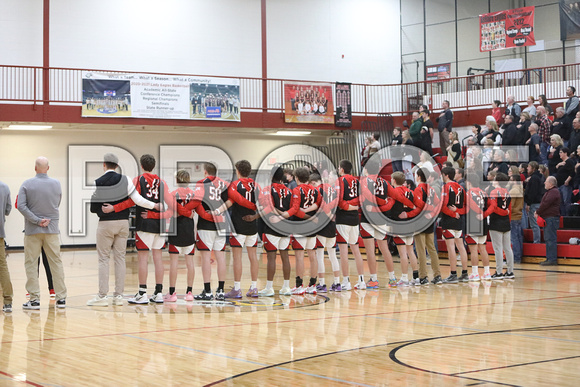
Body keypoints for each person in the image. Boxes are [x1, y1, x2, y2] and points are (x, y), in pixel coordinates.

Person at [87, 152, 159, 307]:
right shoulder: (126, 179)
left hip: (106, 223)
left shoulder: (98, 181)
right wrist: (154, 206)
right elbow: (137, 200)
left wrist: (105, 208)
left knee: (104, 259)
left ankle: (102, 296)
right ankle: (119, 296)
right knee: (120, 258)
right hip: (123, 224)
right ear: (117, 166)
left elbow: (93, 207)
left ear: (104, 165)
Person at [105, 154, 176, 304]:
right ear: (153, 166)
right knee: (158, 259)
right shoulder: (162, 182)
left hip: (145, 224)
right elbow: (172, 206)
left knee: (143, 258)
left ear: (141, 166)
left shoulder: (138, 180)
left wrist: (114, 208)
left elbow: (131, 201)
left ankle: (142, 293)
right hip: (161, 224)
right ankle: (158, 292)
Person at [17, 157, 67, 309]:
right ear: (48, 168)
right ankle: (61, 299)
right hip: (52, 229)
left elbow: (21, 206)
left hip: (32, 231)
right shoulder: (56, 183)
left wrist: (37, 220)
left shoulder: (26, 184)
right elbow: (56, 203)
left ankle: (34, 299)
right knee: (56, 263)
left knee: (31, 264)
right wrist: (46, 219)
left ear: (35, 168)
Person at [215, 160, 261, 298]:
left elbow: (230, 202)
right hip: (252, 225)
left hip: (237, 226)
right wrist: (254, 217)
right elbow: (263, 207)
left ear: (238, 171)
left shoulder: (235, 185)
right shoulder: (257, 186)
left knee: (237, 258)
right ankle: (254, 287)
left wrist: (216, 211)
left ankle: (237, 288)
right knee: (253, 257)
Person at [193, 163, 229, 301]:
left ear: (206, 172)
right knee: (221, 258)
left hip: (206, 224)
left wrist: (205, 215)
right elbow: (229, 202)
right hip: (221, 223)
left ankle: (207, 291)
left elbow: (197, 201)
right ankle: (220, 290)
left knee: (206, 259)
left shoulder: (202, 183)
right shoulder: (224, 184)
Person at [255, 167, 293, 296]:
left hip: (272, 226)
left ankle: (269, 288)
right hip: (287, 226)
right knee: (285, 257)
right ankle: (286, 287)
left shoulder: (267, 190)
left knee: (271, 257)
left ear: (271, 176)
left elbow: (266, 206)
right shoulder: (289, 191)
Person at [286, 167, 321, 295]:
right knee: (312, 256)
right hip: (312, 226)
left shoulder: (296, 190)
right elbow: (319, 204)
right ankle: (312, 285)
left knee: (299, 257)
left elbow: (295, 209)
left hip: (300, 225)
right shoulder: (315, 190)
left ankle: (299, 285)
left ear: (296, 178)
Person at [335, 159, 365, 290]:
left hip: (343, 220)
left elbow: (340, 202)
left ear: (341, 169)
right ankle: (361, 280)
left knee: (343, 253)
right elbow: (362, 199)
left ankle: (346, 281)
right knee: (356, 250)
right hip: (354, 220)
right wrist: (355, 207)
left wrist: (348, 206)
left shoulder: (340, 181)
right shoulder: (357, 181)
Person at [408, 168, 441, 285]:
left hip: (420, 221)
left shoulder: (418, 189)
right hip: (429, 221)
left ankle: (423, 277)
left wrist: (427, 209)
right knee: (431, 248)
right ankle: (437, 275)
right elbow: (437, 203)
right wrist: (431, 213)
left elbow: (418, 204)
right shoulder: (431, 189)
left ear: (418, 176)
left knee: (421, 250)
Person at [311, 172, 341, 292]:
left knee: (319, 256)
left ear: (314, 182)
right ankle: (337, 283)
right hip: (332, 225)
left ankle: (322, 284)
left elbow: (319, 205)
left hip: (321, 224)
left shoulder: (318, 190)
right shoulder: (333, 190)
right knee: (332, 255)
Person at [439, 167, 469, 283]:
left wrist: (453, 213)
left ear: (446, 175)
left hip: (449, 220)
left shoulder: (445, 187)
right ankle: (465, 273)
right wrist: (458, 212)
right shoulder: (461, 187)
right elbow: (467, 206)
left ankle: (453, 274)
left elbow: (443, 205)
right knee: (461, 246)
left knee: (451, 247)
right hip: (459, 220)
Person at [465, 173, 493, 281]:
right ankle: (487, 273)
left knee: (473, 250)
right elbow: (492, 205)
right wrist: (484, 214)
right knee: (483, 248)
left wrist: (479, 212)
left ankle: (475, 273)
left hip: (473, 222)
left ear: (469, 182)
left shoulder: (469, 193)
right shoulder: (484, 193)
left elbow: (471, 204)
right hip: (484, 223)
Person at [488, 173, 514, 280]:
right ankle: (510, 271)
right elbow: (509, 210)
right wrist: (506, 214)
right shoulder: (507, 192)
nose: (493, 181)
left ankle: (498, 272)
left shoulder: (494, 192)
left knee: (498, 248)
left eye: (494, 179)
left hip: (496, 222)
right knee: (507, 248)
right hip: (506, 222)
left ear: (497, 181)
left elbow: (493, 208)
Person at [536, 176, 561, 266]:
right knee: (548, 239)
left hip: (551, 218)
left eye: (546, 182)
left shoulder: (553, 192)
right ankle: (549, 258)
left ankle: (552, 259)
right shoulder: (551, 192)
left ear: (551, 184)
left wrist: (538, 212)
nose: (544, 183)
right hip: (549, 218)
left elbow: (546, 203)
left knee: (550, 239)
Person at [0, 180, 13, 313]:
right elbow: (8, 209)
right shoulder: (4, 186)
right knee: (2, 266)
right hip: (0, 232)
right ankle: (8, 302)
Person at [524, 162, 545, 244]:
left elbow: (533, 192)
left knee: (534, 224)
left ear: (533, 168)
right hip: (536, 202)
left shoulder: (534, 178)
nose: (527, 168)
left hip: (534, 203)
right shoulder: (537, 177)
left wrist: (528, 203)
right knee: (535, 223)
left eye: (528, 167)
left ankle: (536, 242)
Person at [508, 172, 524, 263]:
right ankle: (519, 256)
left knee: (514, 238)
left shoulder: (513, 191)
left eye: (510, 180)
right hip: (518, 215)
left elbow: (511, 205)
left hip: (513, 216)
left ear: (514, 181)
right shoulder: (521, 189)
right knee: (518, 237)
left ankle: (516, 257)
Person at [555, 147, 575, 216]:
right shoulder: (562, 163)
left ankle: (568, 217)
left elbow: (572, 172)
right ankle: (563, 217)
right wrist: (558, 165)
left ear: (565, 153)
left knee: (566, 201)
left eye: (561, 152)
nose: (559, 154)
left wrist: (567, 180)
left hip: (566, 185)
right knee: (561, 202)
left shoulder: (569, 161)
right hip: (559, 184)